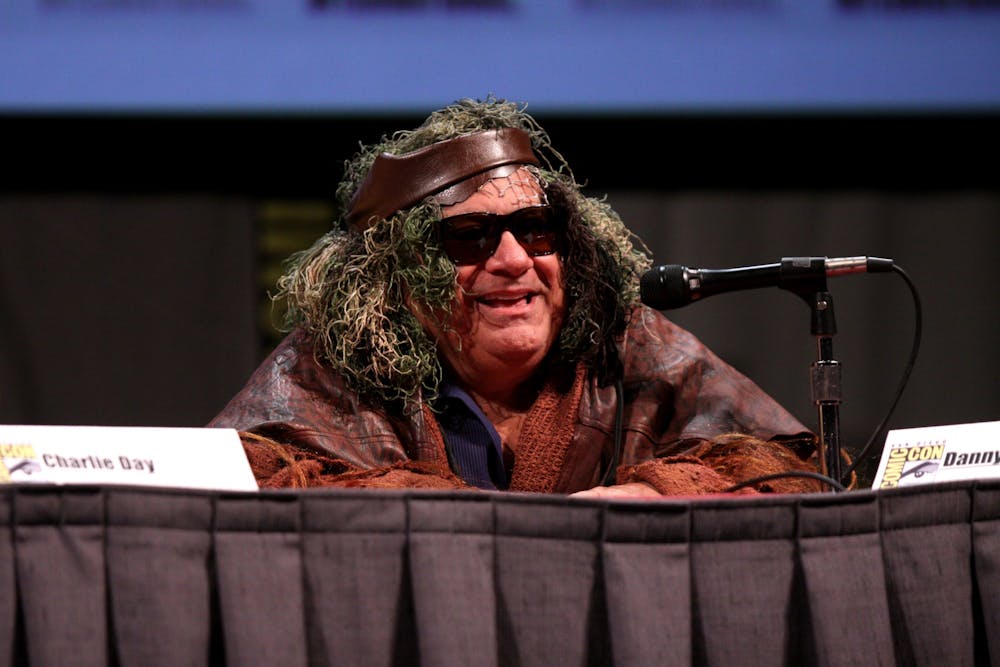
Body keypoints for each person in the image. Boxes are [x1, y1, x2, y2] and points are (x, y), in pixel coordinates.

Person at [209, 96, 823, 498]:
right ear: (394, 273)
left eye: (535, 229)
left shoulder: (627, 342)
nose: (514, 260)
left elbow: (795, 472)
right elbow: (235, 490)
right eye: (469, 237)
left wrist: (658, 493)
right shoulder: (328, 367)